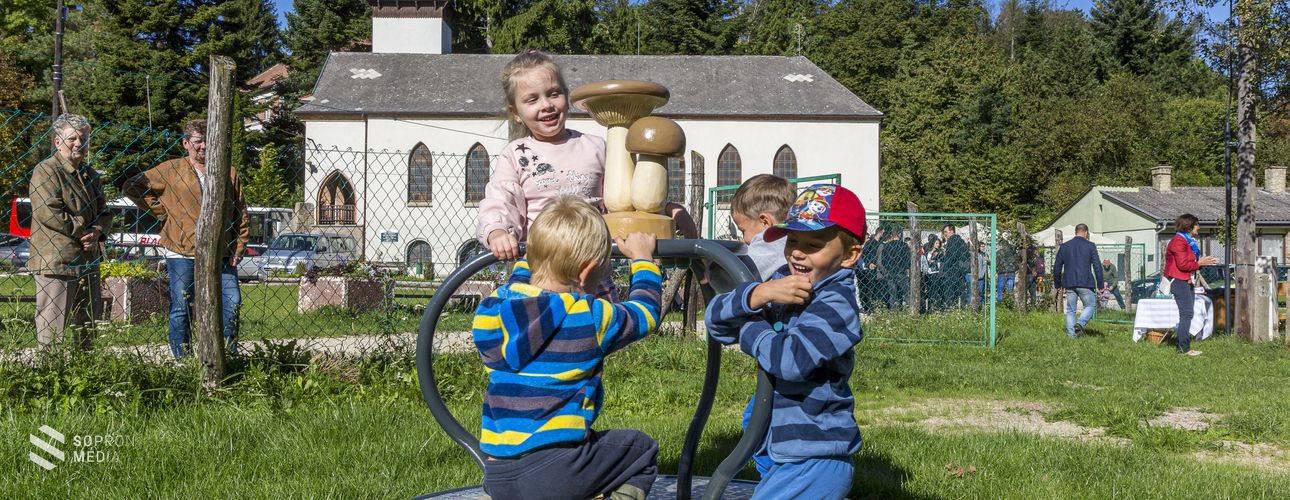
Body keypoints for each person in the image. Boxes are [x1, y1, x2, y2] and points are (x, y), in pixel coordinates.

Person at [472, 196, 662, 499]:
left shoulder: (492, 310)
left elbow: (525, 280)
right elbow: (645, 314)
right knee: (641, 449)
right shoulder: (586, 316)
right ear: (586, 273)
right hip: (558, 472)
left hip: (498, 475)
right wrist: (644, 262)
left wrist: (536, 254)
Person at [706, 184, 865, 499]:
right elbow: (715, 321)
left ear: (849, 255)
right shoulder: (781, 282)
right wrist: (757, 294)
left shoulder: (837, 304)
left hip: (814, 455)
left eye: (813, 244)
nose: (797, 251)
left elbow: (789, 360)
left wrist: (748, 330)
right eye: (792, 239)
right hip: (781, 448)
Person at [477, 49, 696, 264]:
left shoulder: (594, 146)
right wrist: (497, 232)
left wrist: (665, 209)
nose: (547, 105)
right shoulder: (515, 154)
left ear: (566, 95)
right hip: (541, 267)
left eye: (554, 93)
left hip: (593, 267)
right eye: (532, 100)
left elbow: (623, 199)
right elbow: (501, 199)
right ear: (516, 113)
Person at [124, 118, 249, 358]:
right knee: (182, 306)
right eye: (198, 141)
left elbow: (240, 211)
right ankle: (182, 357)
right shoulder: (171, 170)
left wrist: (239, 246)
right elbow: (133, 186)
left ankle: (226, 356)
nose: (203, 146)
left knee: (231, 304)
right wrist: (162, 211)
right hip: (181, 250)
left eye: (209, 141)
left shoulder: (228, 172)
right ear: (185, 143)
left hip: (221, 252)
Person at [29, 114, 111, 351]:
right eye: (72, 138)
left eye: (83, 139)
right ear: (57, 142)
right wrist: (82, 231)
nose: (79, 144)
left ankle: (85, 374)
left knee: (88, 325)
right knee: (53, 328)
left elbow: (105, 212)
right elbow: (48, 211)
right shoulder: (46, 171)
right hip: (57, 260)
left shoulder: (90, 174)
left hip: (88, 258)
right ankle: (49, 377)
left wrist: (96, 231)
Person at [1165, 214, 1219, 356]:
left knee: (1187, 314)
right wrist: (1199, 263)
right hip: (1179, 281)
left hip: (1186, 281)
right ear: (1189, 226)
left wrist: (1200, 262)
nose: (1199, 227)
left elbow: (1190, 263)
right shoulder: (1179, 242)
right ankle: (1183, 348)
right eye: (1197, 225)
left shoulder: (1187, 241)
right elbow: (1183, 264)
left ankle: (1183, 346)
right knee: (1186, 314)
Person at [730, 174, 796, 280]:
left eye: (743, 231)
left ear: (765, 222)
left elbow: (733, 277)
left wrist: (711, 267)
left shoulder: (768, 244)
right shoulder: (792, 239)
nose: (744, 239)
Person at [1052, 223, 1104, 338]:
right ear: (1086, 233)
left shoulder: (1065, 246)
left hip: (1069, 283)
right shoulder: (1090, 246)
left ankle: (1071, 337)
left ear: (1076, 232)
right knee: (1091, 306)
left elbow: (1057, 266)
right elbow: (1097, 266)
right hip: (1085, 282)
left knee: (1070, 310)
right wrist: (1100, 284)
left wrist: (1057, 283)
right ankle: (1080, 323)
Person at [940, 224, 970, 307]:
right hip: (959, 271)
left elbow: (951, 256)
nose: (944, 234)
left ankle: (950, 309)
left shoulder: (953, 240)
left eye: (946, 231)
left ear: (952, 231)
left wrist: (945, 267)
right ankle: (962, 308)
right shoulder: (960, 240)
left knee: (949, 293)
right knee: (960, 291)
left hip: (951, 270)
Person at [880, 227, 910, 309]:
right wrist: (906, 268)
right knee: (906, 292)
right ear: (900, 234)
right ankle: (909, 309)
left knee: (893, 293)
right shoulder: (904, 245)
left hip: (890, 271)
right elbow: (907, 259)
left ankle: (894, 311)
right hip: (901, 271)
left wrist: (887, 268)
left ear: (892, 234)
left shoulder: (887, 246)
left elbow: (883, 260)